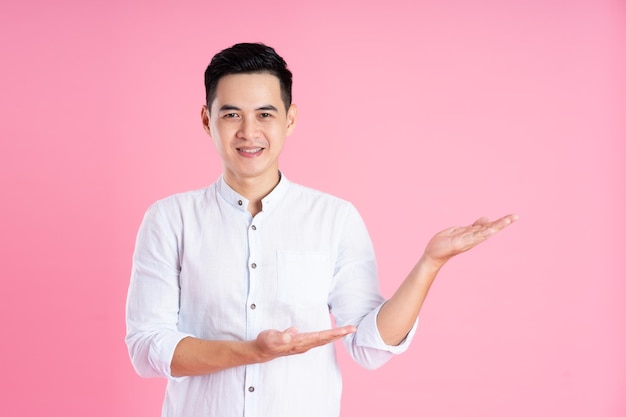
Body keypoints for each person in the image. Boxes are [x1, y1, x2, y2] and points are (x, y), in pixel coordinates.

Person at [125, 42, 517, 417]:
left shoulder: (334, 218)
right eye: (231, 114)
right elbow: (147, 347)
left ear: (290, 119)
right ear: (207, 119)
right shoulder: (169, 219)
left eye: (265, 114)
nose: (248, 131)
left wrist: (429, 264)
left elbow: (368, 344)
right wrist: (253, 351)